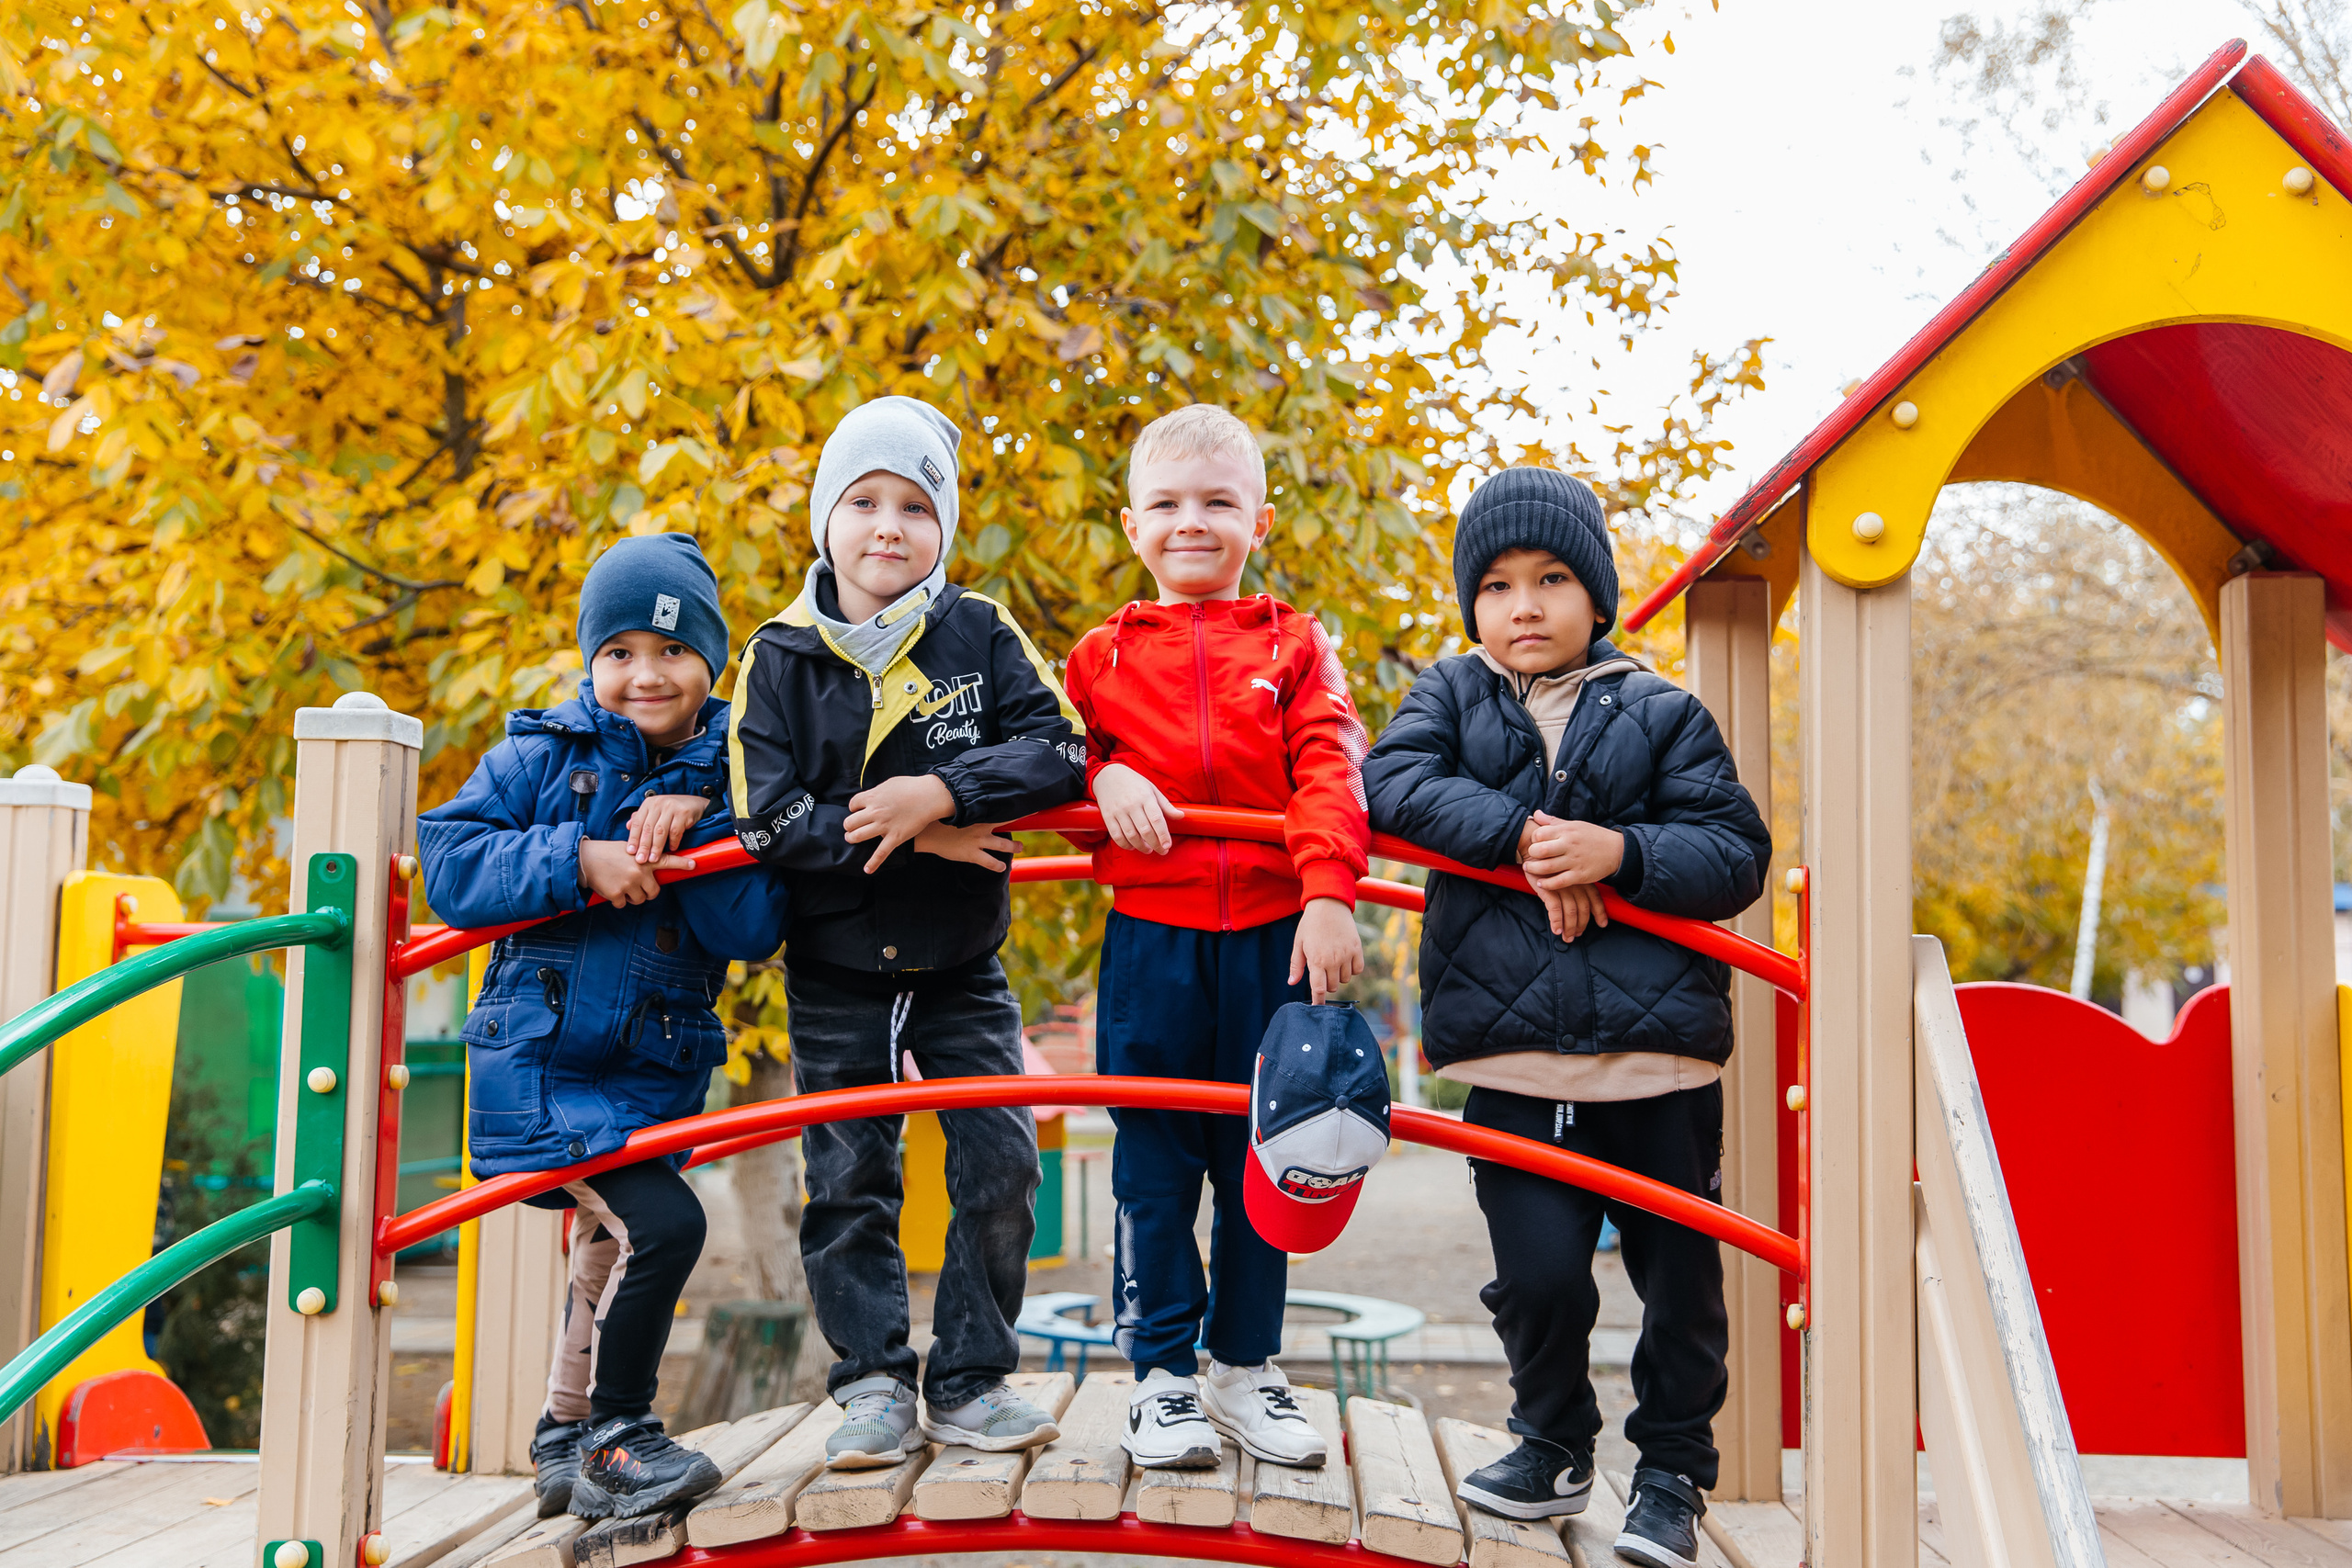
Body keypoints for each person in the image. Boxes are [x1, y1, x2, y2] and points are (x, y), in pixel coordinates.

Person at [1363, 467, 1771, 1568]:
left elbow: (1733, 852)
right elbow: (1388, 786)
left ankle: (1673, 1474)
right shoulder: (1448, 697)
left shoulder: (1662, 711)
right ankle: (1552, 1437)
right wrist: (1531, 840)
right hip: (1514, 1054)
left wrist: (1621, 855)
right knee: (1536, 1277)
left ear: (1597, 594)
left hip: (1658, 1067)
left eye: (1550, 580)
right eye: (1495, 587)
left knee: (1678, 1282)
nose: (1524, 606)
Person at [728, 395, 1087, 1467]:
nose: (889, 527)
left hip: (960, 963)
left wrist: (942, 788)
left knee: (1002, 1159)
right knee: (848, 1177)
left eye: (916, 506)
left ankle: (972, 1376)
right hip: (836, 967)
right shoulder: (780, 655)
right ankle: (873, 1383)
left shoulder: (975, 629)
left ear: (943, 529)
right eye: (865, 501)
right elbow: (766, 813)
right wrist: (908, 831)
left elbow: (1061, 751)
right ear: (825, 519)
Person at [419, 534, 792, 1522]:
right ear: (590, 661)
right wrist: (579, 860)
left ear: (710, 662)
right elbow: (449, 864)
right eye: (618, 652)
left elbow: (751, 926)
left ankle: (561, 1436)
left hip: (645, 1067)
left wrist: (705, 812)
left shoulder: (743, 764)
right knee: (667, 1226)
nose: (646, 674)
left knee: (607, 1241)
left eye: (672, 651)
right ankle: (620, 1436)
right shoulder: (541, 755)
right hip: (539, 1064)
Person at [1059, 403, 1369, 1471]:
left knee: (1269, 1154)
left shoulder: (1292, 643)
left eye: (1217, 503)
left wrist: (1329, 889)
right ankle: (1159, 1379)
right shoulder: (1099, 655)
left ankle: (1245, 1368)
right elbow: (1047, 766)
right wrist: (1102, 777)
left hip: (1275, 939)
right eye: (1167, 505)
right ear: (1133, 527)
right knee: (1151, 1163)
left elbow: (1328, 766)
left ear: (1260, 521)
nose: (1191, 522)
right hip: (1150, 942)